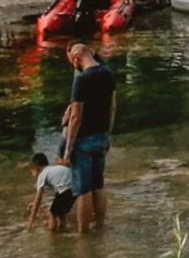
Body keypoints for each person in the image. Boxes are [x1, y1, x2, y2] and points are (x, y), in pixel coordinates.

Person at [62, 42, 115, 235]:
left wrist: (67, 149)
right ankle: (100, 228)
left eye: (72, 62)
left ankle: (83, 235)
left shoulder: (81, 80)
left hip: (83, 140)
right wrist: (108, 135)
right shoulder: (108, 74)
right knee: (98, 185)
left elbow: (75, 118)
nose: (74, 66)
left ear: (77, 58)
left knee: (83, 190)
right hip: (101, 136)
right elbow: (112, 108)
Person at [26, 152, 75, 232]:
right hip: (75, 188)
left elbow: (38, 199)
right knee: (60, 212)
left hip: (65, 190)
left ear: (36, 167)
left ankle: (52, 234)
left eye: (32, 169)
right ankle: (63, 230)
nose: (31, 173)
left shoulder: (42, 174)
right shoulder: (54, 168)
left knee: (52, 213)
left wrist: (31, 220)